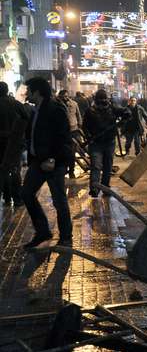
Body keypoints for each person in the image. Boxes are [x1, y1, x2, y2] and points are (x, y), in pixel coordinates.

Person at [20, 77, 74, 248]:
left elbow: (63, 137)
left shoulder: (55, 109)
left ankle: (66, 237)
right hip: (38, 161)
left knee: (59, 201)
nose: (26, 93)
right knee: (26, 193)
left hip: (53, 163)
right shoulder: (35, 110)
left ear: (37, 92)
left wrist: (53, 159)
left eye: (29, 90)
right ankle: (42, 231)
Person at [82, 89, 127, 197]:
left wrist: (124, 118)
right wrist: (89, 136)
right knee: (96, 166)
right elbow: (85, 126)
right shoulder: (90, 111)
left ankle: (105, 187)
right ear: (96, 100)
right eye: (100, 101)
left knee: (107, 166)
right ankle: (94, 188)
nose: (102, 103)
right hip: (96, 143)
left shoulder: (112, 108)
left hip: (109, 142)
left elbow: (126, 111)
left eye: (104, 100)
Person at [0, 81, 28, 206]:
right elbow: (26, 118)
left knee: (2, 169)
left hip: (0, 142)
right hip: (14, 142)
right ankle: (17, 198)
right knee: (15, 169)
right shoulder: (15, 104)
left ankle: (6, 196)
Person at [56, 89, 82, 178]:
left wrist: (79, 127)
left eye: (66, 96)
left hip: (73, 131)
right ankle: (64, 170)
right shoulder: (57, 105)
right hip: (61, 133)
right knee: (62, 153)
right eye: (63, 97)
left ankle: (71, 170)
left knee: (72, 153)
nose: (65, 98)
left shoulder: (74, 104)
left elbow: (78, 115)